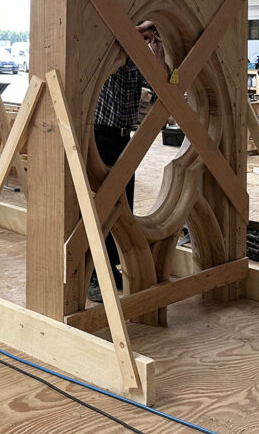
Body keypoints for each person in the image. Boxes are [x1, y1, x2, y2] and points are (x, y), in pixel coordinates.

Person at [88, 20, 166, 304]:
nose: (144, 39)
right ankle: (92, 275)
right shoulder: (109, 49)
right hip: (99, 135)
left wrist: (158, 51)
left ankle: (110, 267)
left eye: (149, 36)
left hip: (123, 138)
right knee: (102, 205)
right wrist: (133, 31)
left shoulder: (138, 60)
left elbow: (163, 85)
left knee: (123, 207)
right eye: (142, 34)